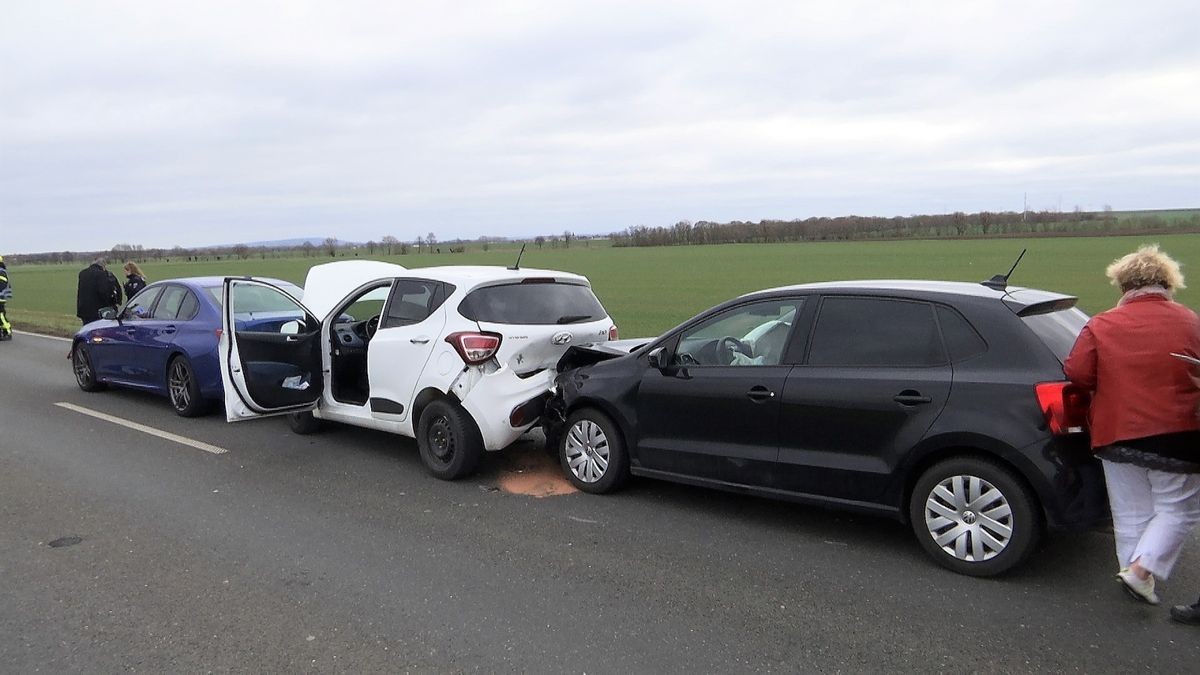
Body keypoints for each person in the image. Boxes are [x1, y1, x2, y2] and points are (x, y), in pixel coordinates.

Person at [1064, 244, 1200, 608]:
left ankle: (1136, 576)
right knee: (1179, 508)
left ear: (1123, 286)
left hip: (1115, 433)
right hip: (1177, 434)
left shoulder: (1102, 324)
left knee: (1130, 512)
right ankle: (1140, 573)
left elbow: (1077, 372)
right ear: (1169, 283)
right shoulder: (1190, 321)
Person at [76, 256, 121, 325]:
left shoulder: (82, 273)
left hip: (83, 309)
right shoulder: (101, 274)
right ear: (103, 266)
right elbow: (103, 292)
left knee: (87, 329)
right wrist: (111, 303)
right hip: (96, 310)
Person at [0, 255, 12, 341]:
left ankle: (7, 331)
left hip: (0, 297)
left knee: (1, 315)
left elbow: (2, 285)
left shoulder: (1, 272)